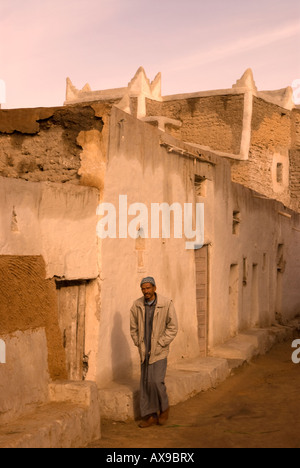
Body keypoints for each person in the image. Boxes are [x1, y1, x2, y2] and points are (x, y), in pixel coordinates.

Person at [130, 277, 178, 428]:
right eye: (143, 289)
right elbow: (133, 329)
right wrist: (138, 342)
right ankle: (150, 416)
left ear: (154, 288)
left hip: (159, 351)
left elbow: (173, 327)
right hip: (145, 351)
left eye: (148, 288)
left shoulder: (166, 303)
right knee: (146, 384)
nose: (146, 291)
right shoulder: (137, 305)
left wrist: (161, 342)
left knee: (157, 381)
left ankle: (164, 409)